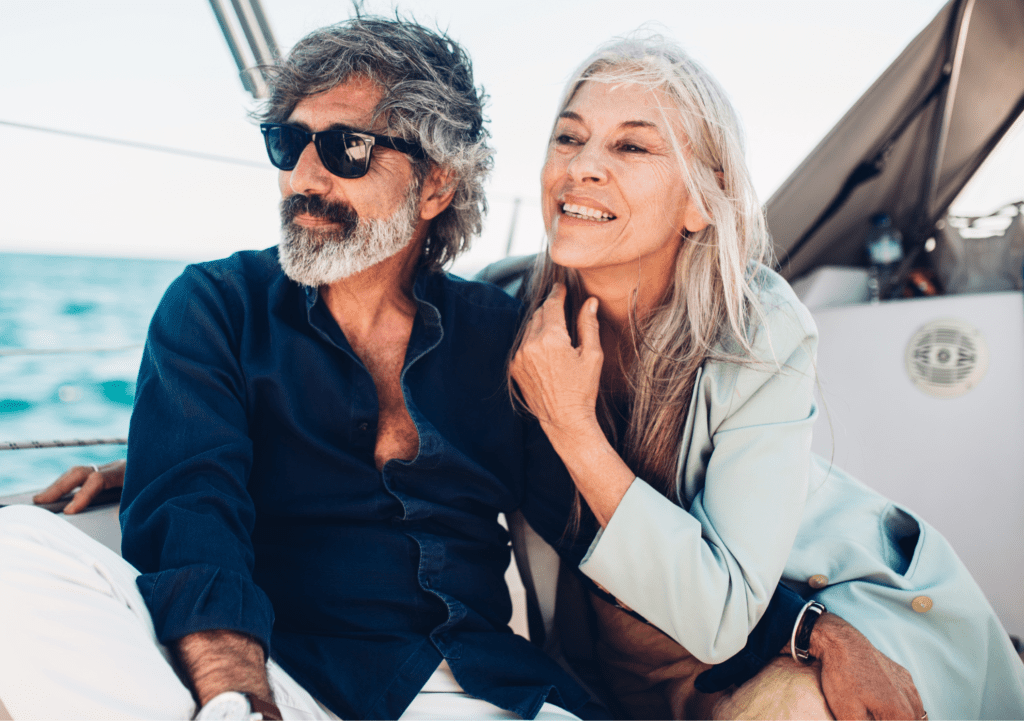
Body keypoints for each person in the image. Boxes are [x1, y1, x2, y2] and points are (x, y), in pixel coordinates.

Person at [4, 17, 923, 721]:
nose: (305, 176)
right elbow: (196, 509)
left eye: (347, 148)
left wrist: (812, 627)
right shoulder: (215, 308)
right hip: (290, 676)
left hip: (478, 688)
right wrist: (237, 696)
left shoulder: (503, 335)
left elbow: (595, 522)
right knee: (19, 554)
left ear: (435, 184)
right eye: (288, 143)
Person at [509, 34, 1024, 720]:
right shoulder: (498, 311)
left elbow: (720, 615)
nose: (583, 167)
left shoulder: (756, 325)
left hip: (821, 603)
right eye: (568, 138)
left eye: (632, 146)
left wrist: (573, 428)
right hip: (611, 659)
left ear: (701, 203)